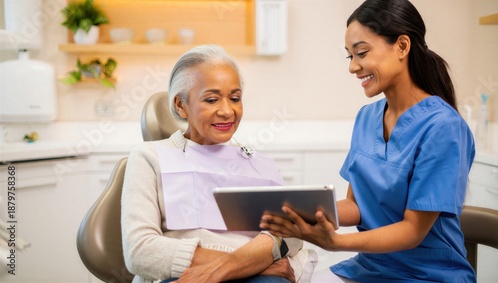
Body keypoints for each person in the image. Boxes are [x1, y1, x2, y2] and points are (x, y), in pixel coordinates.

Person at [260, 0, 476, 282]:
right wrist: (302, 214)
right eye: (349, 56)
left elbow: (412, 230)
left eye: (361, 53)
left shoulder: (443, 127)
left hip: (428, 275)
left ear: (402, 46)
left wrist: (335, 243)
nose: (353, 67)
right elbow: (357, 206)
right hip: (370, 269)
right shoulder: (367, 117)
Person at [121, 44, 316, 283]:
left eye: (235, 98)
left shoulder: (256, 162)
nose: (227, 111)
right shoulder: (149, 157)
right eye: (212, 99)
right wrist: (251, 264)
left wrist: (245, 265)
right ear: (181, 105)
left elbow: (291, 238)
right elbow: (140, 251)